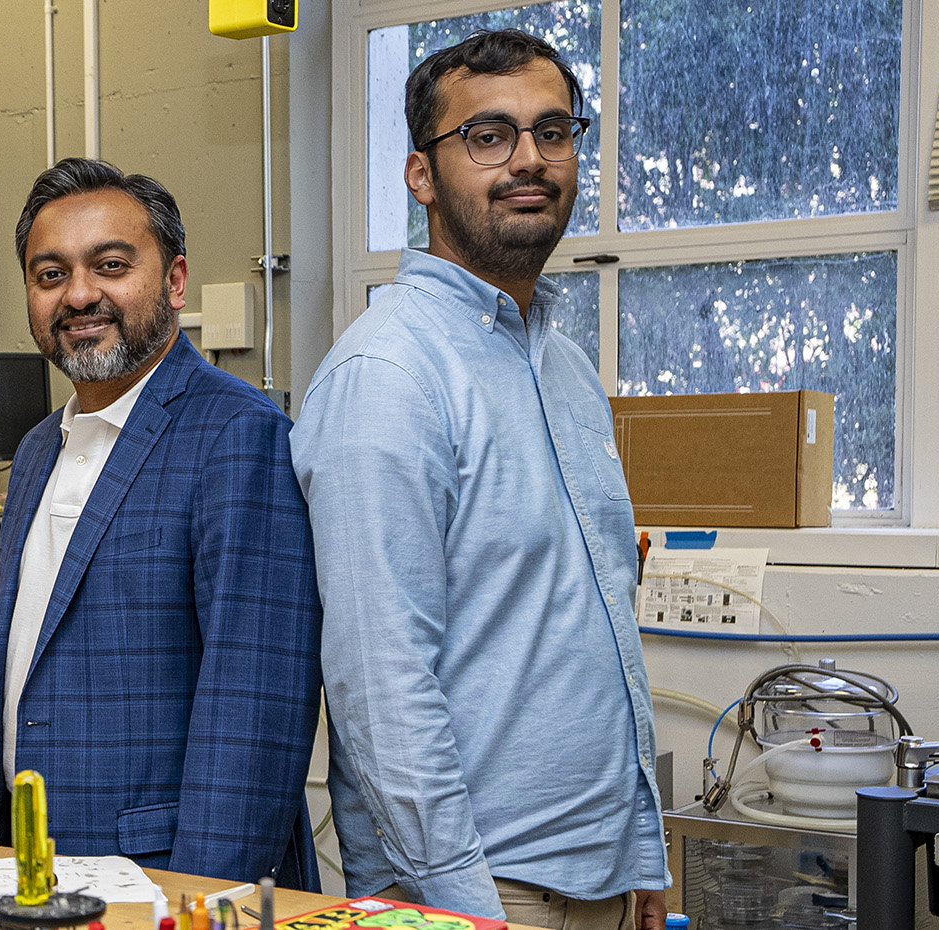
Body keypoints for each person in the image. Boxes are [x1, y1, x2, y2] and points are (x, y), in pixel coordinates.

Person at [288, 30, 668, 928]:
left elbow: (588, 625)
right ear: (421, 174)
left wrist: (638, 855)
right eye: (488, 136)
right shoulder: (387, 377)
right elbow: (381, 690)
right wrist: (465, 911)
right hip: (479, 895)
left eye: (552, 130)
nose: (528, 159)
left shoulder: (564, 367)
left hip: (600, 877)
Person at [0, 157, 324, 887]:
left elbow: (254, 713)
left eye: (109, 265)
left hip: (166, 877)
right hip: (34, 862)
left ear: (173, 280)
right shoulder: (39, 449)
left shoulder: (238, 434)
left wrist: (199, 901)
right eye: (49, 275)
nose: (78, 295)